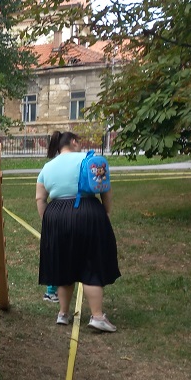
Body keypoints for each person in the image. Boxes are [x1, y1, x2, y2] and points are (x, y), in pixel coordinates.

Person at [36, 131, 120, 332]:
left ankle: (63, 314)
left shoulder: (47, 167)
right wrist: (105, 213)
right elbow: (105, 190)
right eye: (79, 142)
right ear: (73, 142)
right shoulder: (91, 160)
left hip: (56, 215)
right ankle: (97, 317)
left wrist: (48, 221)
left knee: (63, 267)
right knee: (91, 265)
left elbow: (40, 198)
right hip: (88, 211)